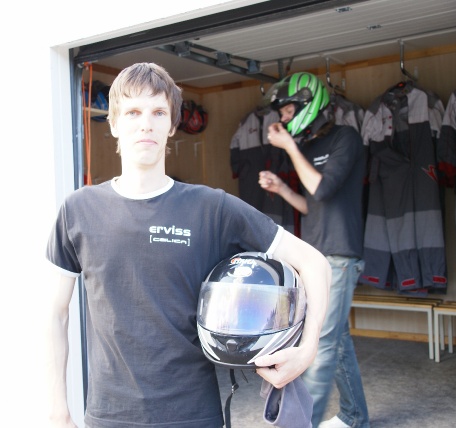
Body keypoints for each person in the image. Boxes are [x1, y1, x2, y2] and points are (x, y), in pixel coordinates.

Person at [46, 62, 331, 428]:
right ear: (114, 123)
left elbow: (315, 264)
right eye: (133, 112)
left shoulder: (210, 208)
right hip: (109, 415)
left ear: (172, 125)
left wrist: (307, 350)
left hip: (193, 414)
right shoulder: (79, 210)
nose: (146, 124)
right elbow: (55, 313)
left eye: (158, 112)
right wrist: (57, 411)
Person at [258, 72, 369, 428]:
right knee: (337, 342)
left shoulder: (346, 138)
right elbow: (311, 205)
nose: (283, 117)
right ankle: (355, 417)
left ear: (309, 104)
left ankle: (304, 422)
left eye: (288, 110)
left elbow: (322, 189)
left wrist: (289, 148)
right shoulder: (307, 148)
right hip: (317, 257)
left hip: (340, 254)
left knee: (319, 344)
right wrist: (281, 189)